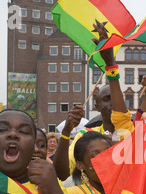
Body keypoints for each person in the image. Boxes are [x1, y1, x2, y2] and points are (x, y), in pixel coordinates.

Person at [54, 21, 134, 182]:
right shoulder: (85, 135)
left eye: (116, 98)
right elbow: (61, 173)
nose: (112, 103)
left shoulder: (133, 131)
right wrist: (66, 133)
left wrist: (111, 64)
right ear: (96, 106)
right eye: (106, 99)